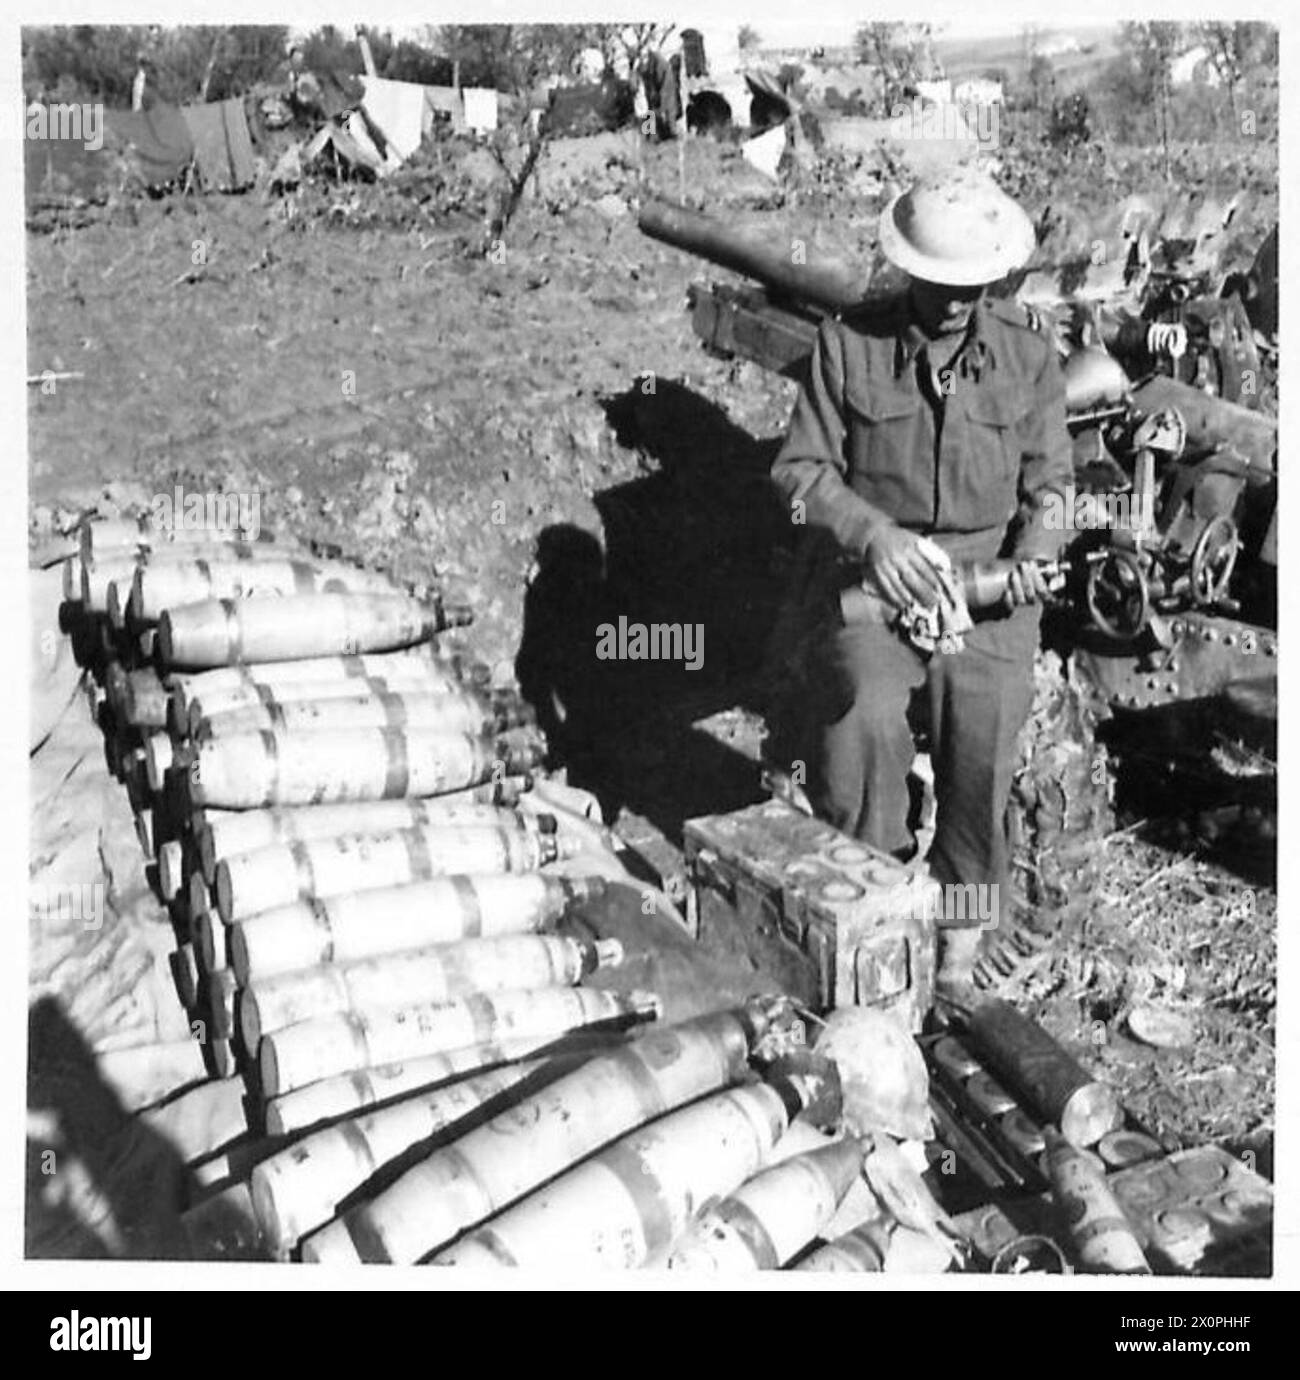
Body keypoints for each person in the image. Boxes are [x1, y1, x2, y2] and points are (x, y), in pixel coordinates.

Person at [770, 165, 1073, 995]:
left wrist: (1038, 549)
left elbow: (1053, 485)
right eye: (939, 284)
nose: (954, 302)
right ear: (906, 268)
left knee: (981, 746)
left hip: (991, 593)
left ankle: (965, 927)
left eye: (972, 286)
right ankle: (876, 895)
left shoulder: (1028, 352)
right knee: (860, 723)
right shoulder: (848, 344)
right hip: (879, 587)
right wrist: (875, 537)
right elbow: (798, 473)